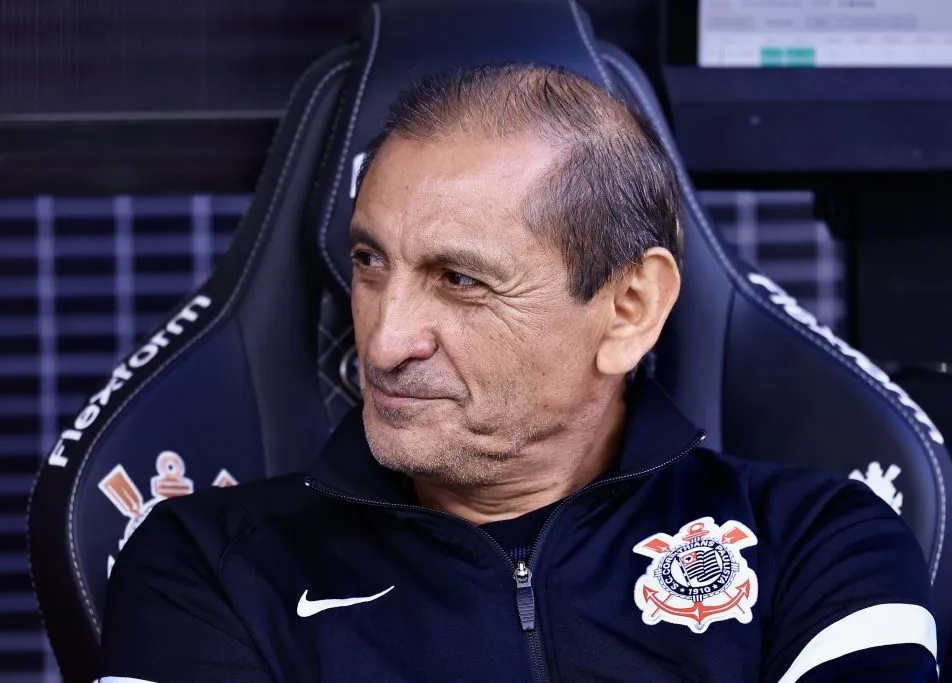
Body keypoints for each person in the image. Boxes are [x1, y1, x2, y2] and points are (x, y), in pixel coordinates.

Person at [98, 64, 938, 682]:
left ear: (629, 309)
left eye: (460, 280)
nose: (385, 342)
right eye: (369, 261)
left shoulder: (818, 543)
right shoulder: (209, 566)